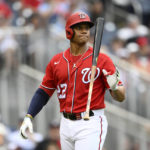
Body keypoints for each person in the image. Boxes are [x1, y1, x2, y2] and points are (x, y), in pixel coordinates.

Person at [20, 12, 125, 150]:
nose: (84, 31)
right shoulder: (57, 61)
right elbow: (44, 92)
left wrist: (115, 88)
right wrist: (29, 116)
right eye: (79, 27)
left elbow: (121, 97)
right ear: (69, 31)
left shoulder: (102, 60)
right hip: (65, 123)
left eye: (86, 28)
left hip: (90, 122)